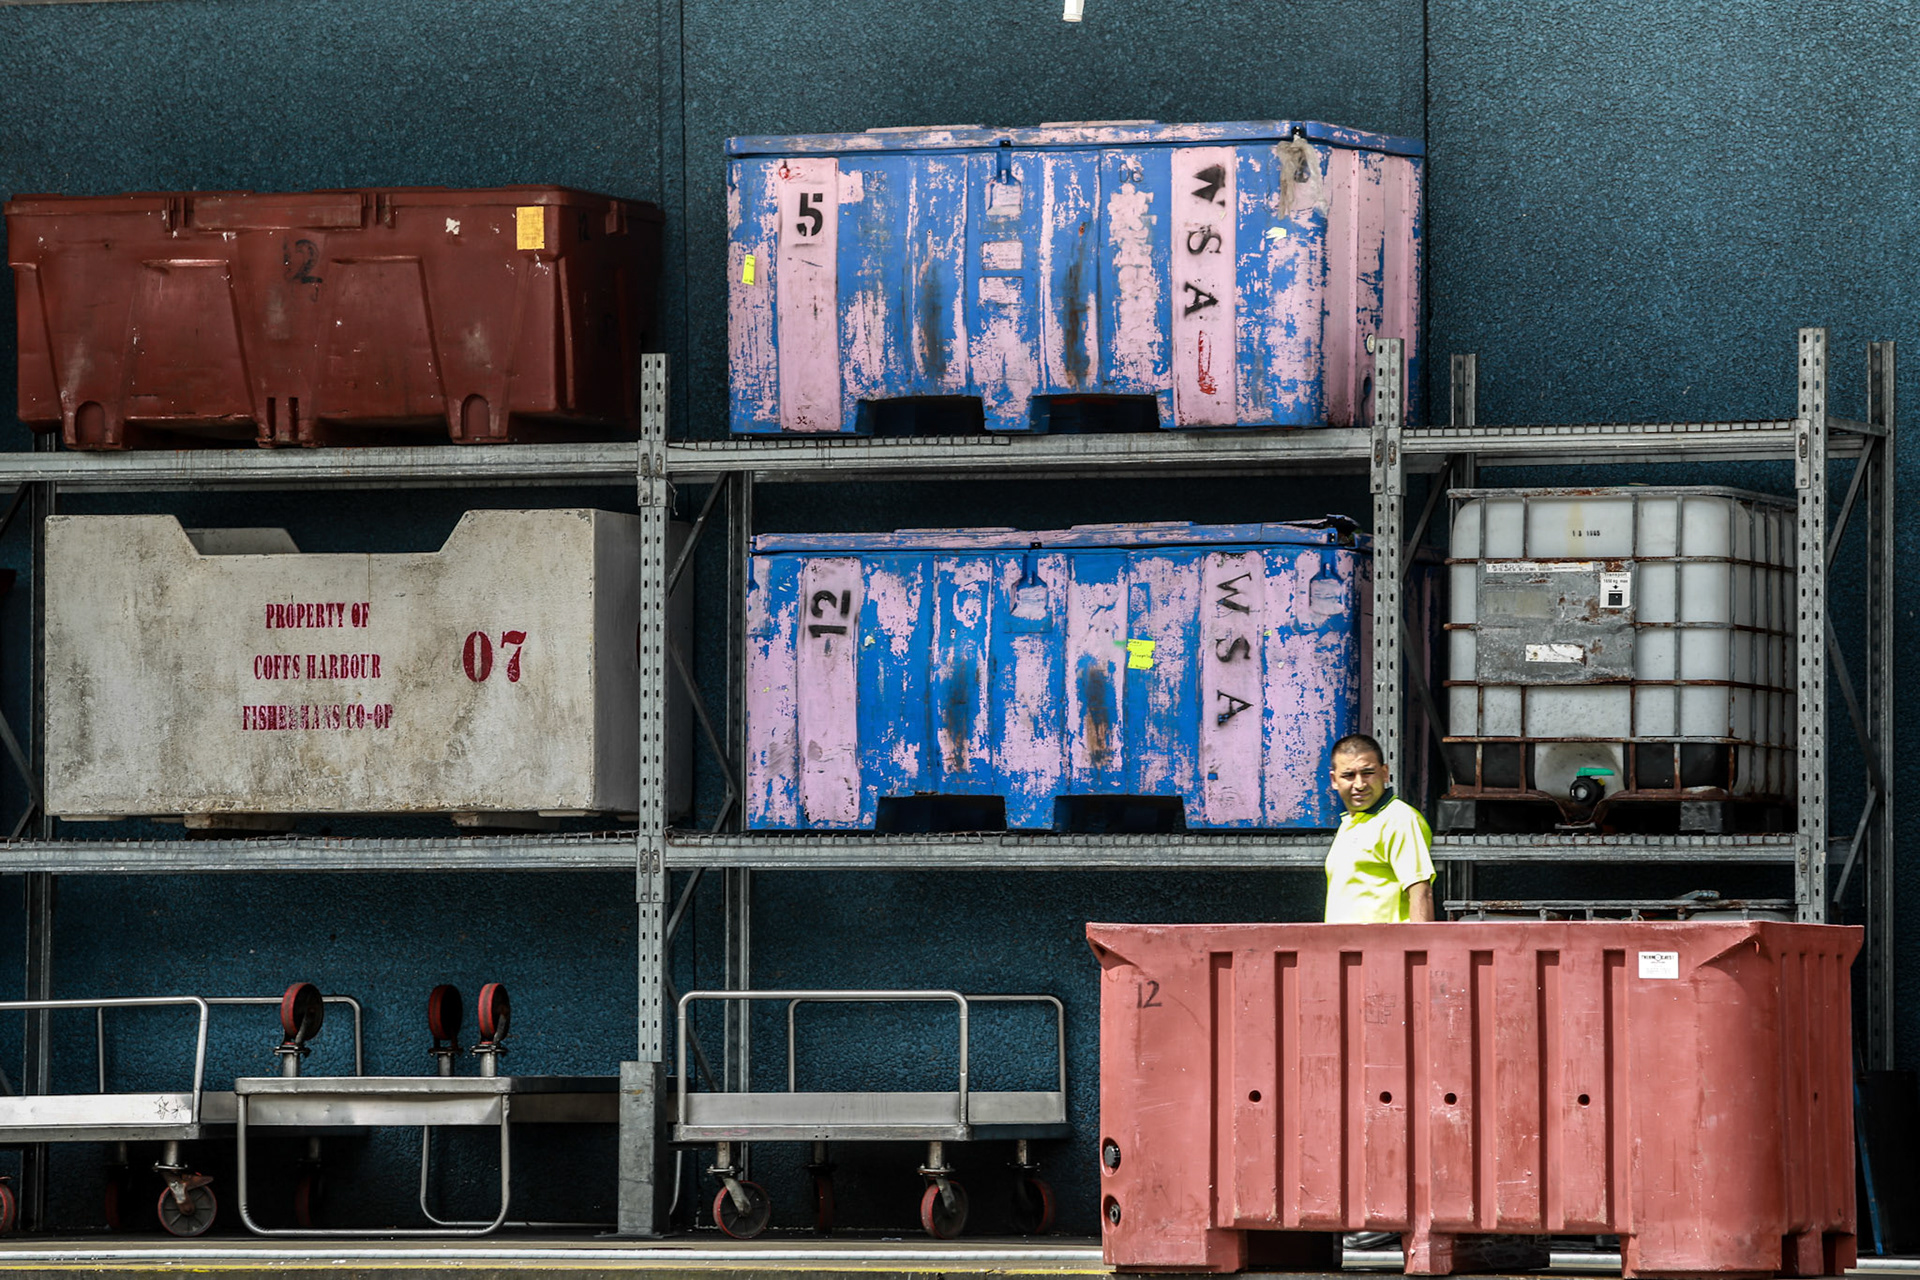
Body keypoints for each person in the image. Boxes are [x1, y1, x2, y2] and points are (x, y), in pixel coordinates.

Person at [1323, 733, 1436, 922]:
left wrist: (1419, 950)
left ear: (1385, 773)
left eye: (1367, 773)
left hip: (1385, 950)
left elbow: (1421, 893)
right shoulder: (1351, 823)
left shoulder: (1399, 819)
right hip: (1345, 949)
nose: (1359, 784)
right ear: (1334, 780)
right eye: (1348, 775)